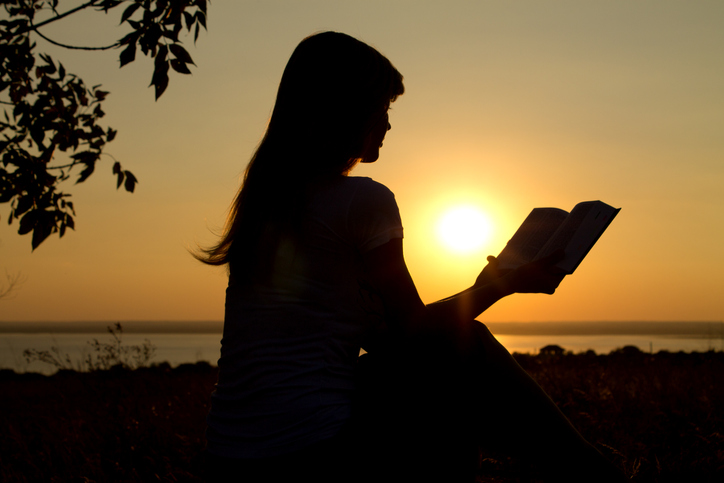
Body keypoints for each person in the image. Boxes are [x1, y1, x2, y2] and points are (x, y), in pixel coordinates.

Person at [196, 31, 628, 482]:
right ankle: (597, 476)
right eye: (382, 108)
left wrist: (485, 286)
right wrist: (504, 286)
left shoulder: (267, 206)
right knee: (465, 347)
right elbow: (417, 334)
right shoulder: (361, 200)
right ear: (348, 112)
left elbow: (390, 338)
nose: (387, 124)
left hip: (229, 462)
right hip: (310, 454)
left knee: (451, 350)